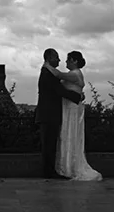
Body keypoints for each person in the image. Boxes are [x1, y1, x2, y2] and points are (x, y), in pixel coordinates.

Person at [44, 51, 102, 181]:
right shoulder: (75, 74)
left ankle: (67, 166)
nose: (65, 62)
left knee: (68, 135)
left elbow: (58, 74)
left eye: (68, 60)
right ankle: (70, 165)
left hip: (71, 108)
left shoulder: (74, 74)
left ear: (74, 61)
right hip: (71, 107)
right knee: (70, 135)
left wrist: (46, 64)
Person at [35, 49, 84, 180]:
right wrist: (78, 97)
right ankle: (49, 172)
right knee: (49, 144)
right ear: (49, 58)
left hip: (48, 113)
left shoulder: (48, 72)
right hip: (49, 114)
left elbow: (59, 86)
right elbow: (60, 90)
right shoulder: (48, 73)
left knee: (50, 144)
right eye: (56, 57)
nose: (60, 60)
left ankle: (49, 171)